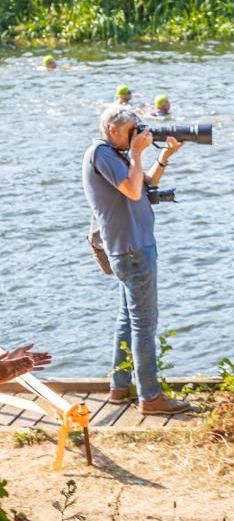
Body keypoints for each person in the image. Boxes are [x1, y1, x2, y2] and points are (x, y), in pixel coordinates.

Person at [82, 105, 189, 415]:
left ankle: (119, 387)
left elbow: (146, 183)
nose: (137, 135)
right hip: (132, 251)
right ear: (112, 131)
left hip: (132, 249)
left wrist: (164, 156)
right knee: (144, 324)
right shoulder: (101, 152)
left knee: (128, 320)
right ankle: (151, 397)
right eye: (131, 130)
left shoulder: (115, 153)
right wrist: (137, 152)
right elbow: (131, 190)